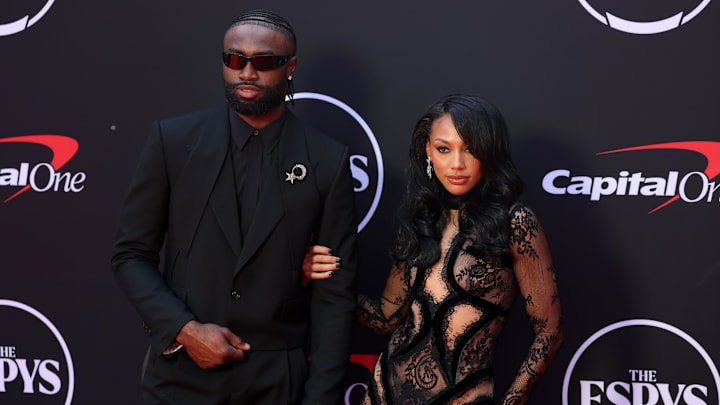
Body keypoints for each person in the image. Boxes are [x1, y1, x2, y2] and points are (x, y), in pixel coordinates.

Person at [111, 9, 357, 405]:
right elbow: (130, 255)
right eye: (234, 59)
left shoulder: (327, 160)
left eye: (262, 62)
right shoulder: (173, 141)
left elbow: (335, 298)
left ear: (290, 67)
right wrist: (185, 330)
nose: (246, 72)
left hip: (277, 382)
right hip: (180, 377)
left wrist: (320, 398)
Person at [304, 94, 563, 404]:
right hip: (383, 393)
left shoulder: (515, 223)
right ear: (428, 151)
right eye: (444, 149)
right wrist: (321, 277)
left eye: (470, 149)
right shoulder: (421, 220)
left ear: (490, 152)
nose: (457, 163)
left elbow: (550, 332)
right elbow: (385, 318)